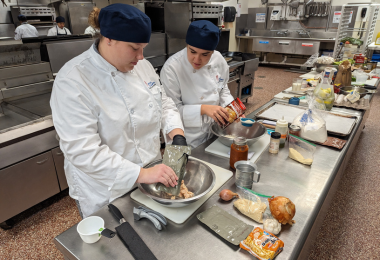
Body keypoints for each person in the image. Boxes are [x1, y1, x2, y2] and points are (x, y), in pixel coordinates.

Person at [50, 4, 186, 218]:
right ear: (109, 38)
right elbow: (83, 150)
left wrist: (176, 132)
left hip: (150, 176)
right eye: (134, 48)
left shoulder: (142, 66)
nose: (141, 56)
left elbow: (163, 102)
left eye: (143, 48)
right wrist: (140, 173)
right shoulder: (73, 81)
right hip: (105, 190)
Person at [160, 20, 237, 148]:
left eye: (205, 54)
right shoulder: (172, 68)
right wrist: (204, 109)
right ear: (187, 45)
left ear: (212, 52)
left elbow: (223, 89)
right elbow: (170, 110)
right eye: (192, 51)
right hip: (187, 138)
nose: (197, 59)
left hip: (214, 132)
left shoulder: (219, 60)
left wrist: (232, 108)